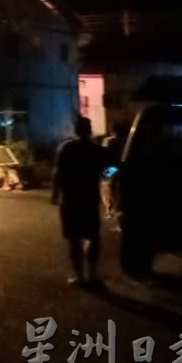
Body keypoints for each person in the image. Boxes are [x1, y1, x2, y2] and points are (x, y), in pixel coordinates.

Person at [52, 116, 108, 288]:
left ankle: (80, 277)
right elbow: (112, 167)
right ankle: (91, 275)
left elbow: (58, 173)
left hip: (70, 199)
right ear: (89, 130)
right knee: (92, 236)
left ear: (76, 130)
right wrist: (106, 176)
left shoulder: (66, 148)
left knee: (74, 239)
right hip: (89, 198)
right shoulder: (96, 149)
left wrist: (55, 193)